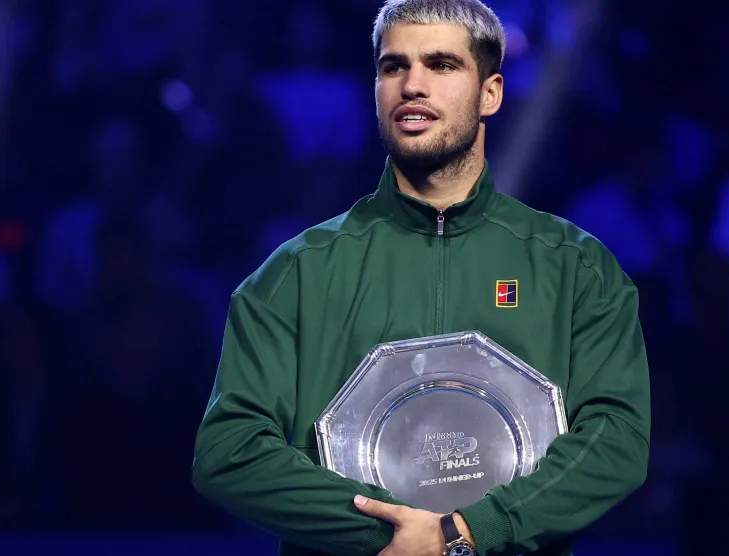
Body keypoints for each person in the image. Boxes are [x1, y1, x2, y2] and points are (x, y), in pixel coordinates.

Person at [191, 1, 651, 555]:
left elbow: (616, 440)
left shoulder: (576, 268)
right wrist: (390, 536)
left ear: (491, 93)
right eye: (393, 67)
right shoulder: (297, 274)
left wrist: (468, 532)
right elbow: (229, 451)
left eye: (442, 65)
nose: (412, 84)